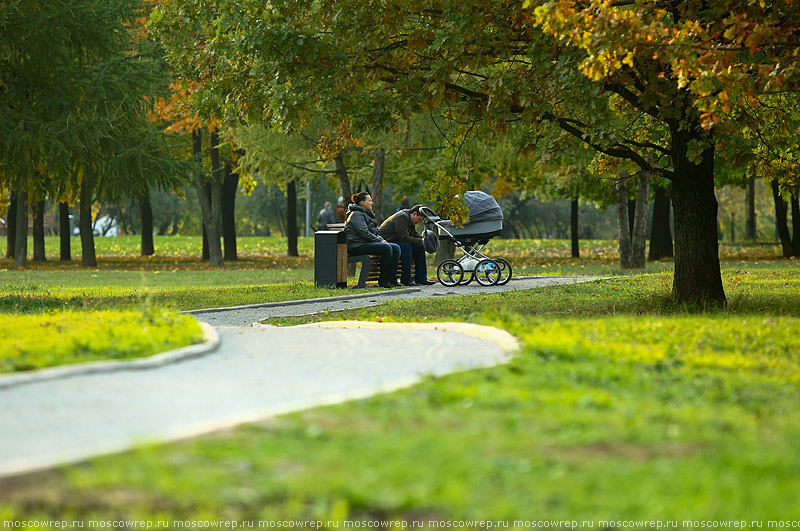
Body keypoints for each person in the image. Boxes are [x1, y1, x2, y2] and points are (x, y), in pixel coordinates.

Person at [344, 192, 401, 288]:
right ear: (362, 203)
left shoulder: (365, 214)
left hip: (364, 244)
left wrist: (382, 240)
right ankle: (384, 281)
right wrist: (380, 241)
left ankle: (392, 279)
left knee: (395, 248)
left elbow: (374, 233)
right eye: (369, 201)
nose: (372, 203)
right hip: (356, 246)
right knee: (386, 248)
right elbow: (364, 233)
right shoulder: (356, 215)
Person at [378, 204, 436, 286]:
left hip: (397, 240)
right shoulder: (402, 217)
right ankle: (406, 279)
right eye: (419, 219)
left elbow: (414, 234)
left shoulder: (410, 220)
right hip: (387, 241)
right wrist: (420, 241)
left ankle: (421, 278)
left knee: (419, 248)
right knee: (406, 246)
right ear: (415, 214)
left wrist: (423, 240)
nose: (419, 222)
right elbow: (403, 237)